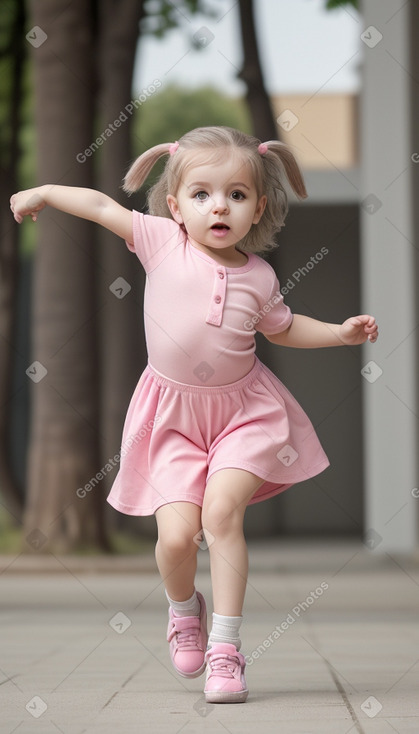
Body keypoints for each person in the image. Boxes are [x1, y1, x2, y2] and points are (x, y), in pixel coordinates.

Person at [10, 126, 378, 704]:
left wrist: (337, 332)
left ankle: (226, 652)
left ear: (258, 206)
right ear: (176, 206)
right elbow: (102, 204)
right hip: (173, 418)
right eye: (202, 194)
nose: (219, 206)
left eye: (236, 194)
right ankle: (185, 610)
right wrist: (45, 191)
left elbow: (284, 328)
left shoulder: (259, 276)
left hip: (245, 414)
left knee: (222, 515)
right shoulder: (161, 243)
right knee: (178, 538)